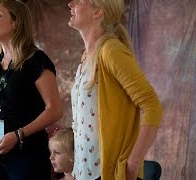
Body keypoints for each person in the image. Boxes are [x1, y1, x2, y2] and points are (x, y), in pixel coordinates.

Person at [67, 0, 163, 180]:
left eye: (79, 0)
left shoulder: (111, 50)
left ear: (97, 13)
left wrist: (134, 162)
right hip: (84, 173)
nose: (70, 4)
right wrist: (76, 169)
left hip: (106, 173)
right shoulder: (87, 55)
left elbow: (152, 105)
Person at [0, 1, 63, 180]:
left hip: (27, 156)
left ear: (16, 22)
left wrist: (18, 135)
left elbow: (54, 110)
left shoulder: (36, 60)